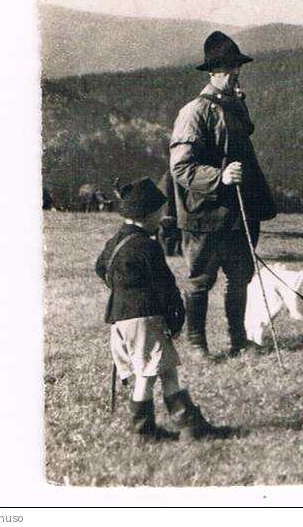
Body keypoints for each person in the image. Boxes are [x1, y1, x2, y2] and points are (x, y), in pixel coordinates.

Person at [96, 177, 233, 442]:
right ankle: (143, 432)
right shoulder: (147, 245)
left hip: (120, 319)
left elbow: (101, 267)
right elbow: (166, 285)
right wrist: (177, 316)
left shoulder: (114, 242)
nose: (161, 218)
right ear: (145, 214)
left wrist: (123, 289)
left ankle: (190, 426)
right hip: (145, 320)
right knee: (146, 376)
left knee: (168, 369)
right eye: (159, 213)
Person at [170, 31, 277, 359]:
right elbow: (181, 168)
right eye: (229, 71)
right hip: (204, 215)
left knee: (240, 278)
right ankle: (197, 344)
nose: (235, 75)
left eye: (237, 69)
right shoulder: (194, 112)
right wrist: (220, 175)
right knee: (200, 281)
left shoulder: (234, 106)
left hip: (238, 215)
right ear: (211, 73)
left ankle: (238, 340)